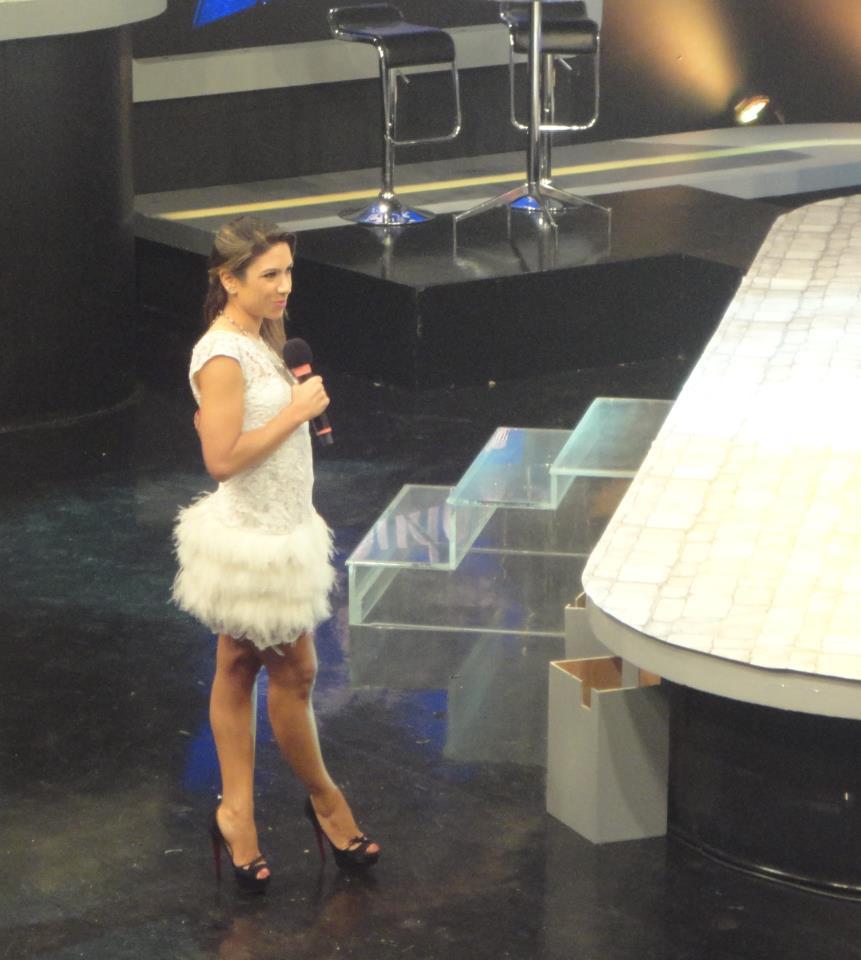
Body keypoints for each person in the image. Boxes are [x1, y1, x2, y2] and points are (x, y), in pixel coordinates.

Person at [172, 216, 379, 893]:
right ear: (229, 280)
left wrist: (290, 417)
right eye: (269, 275)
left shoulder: (265, 336)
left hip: (285, 524)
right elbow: (222, 459)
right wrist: (294, 412)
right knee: (296, 672)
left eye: (288, 271)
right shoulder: (222, 355)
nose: (284, 286)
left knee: (237, 666)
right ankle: (324, 801)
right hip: (256, 541)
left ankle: (237, 814)